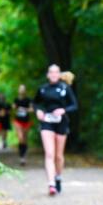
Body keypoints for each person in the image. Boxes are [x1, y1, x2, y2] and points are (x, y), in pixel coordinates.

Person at [34, 64, 78, 196]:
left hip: (61, 123)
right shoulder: (42, 89)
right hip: (47, 122)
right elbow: (35, 103)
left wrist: (63, 110)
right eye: (51, 72)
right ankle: (51, 183)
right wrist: (38, 111)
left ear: (59, 75)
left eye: (56, 72)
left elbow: (74, 105)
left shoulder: (65, 88)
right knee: (49, 154)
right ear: (48, 75)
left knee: (58, 156)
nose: (53, 75)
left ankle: (58, 177)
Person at [13, 84, 33, 165]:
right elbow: (13, 108)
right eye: (20, 89)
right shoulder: (16, 99)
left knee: (24, 139)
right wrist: (15, 107)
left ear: (25, 91)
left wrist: (24, 109)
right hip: (18, 121)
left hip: (26, 121)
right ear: (18, 90)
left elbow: (32, 109)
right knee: (20, 138)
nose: (21, 90)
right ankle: (21, 156)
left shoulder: (28, 100)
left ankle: (23, 156)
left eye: (23, 89)